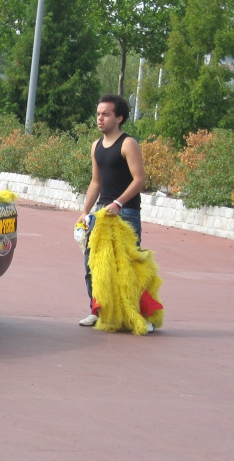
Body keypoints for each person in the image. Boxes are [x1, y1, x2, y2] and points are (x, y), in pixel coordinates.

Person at [76, 94, 146, 326]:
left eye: (106, 114)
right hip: (100, 215)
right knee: (94, 265)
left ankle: (136, 315)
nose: (100, 118)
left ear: (119, 118)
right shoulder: (95, 146)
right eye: (98, 114)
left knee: (127, 267)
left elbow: (139, 180)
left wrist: (118, 203)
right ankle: (98, 311)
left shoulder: (128, 144)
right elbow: (96, 182)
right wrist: (85, 211)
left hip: (125, 214)